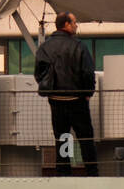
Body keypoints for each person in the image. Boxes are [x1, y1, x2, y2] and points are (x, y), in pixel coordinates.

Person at [34, 11, 98, 176]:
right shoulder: (79, 46)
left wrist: (50, 90)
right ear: (67, 25)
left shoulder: (45, 47)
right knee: (85, 139)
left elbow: (38, 74)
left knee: (63, 138)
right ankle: (92, 173)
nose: (76, 25)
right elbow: (88, 73)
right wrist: (88, 92)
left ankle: (64, 173)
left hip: (56, 101)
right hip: (77, 100)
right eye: (74, 22)